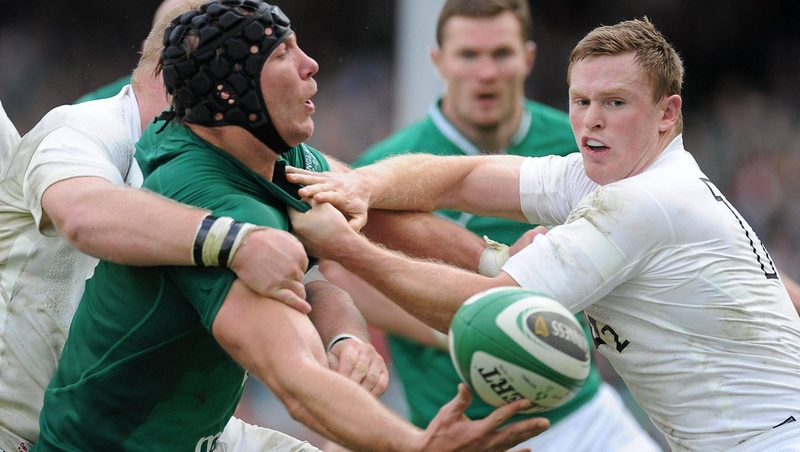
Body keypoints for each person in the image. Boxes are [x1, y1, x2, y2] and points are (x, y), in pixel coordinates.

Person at [31, 1, 548, 451]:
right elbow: (293, 375)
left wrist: (346, 337)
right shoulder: (223, 205)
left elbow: (368, 228)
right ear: (231, 92)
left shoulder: (260, 151)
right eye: (283, 54)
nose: (312, 64)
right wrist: (416, 445)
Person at [287, 17, 800, 452]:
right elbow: (463, 178)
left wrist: (344, 245)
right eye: (581, 101)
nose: (591, 122)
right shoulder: (603, 172)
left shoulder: (641, 200)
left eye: (615, 103)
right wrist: (359, 183)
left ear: (668, 113)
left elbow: (487, 312)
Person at [0, 1, 384, 451]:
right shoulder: (86, 129)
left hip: (178, 430)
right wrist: (235, 240)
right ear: (199, 69)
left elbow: (309, 278)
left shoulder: (249, 157)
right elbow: (83, 215)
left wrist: (346, 339)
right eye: (271, 57)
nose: (308, 66)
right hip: (25, 434)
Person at [319, 1, 662, 451]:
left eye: (501, 53)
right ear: (438, 61)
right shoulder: (390, 169)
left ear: (529, 58)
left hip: (581, 417)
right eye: (468, 55)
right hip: (459, 430)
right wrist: (473, 328)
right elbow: (345, 272)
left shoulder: (581, 145)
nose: (486, 72)